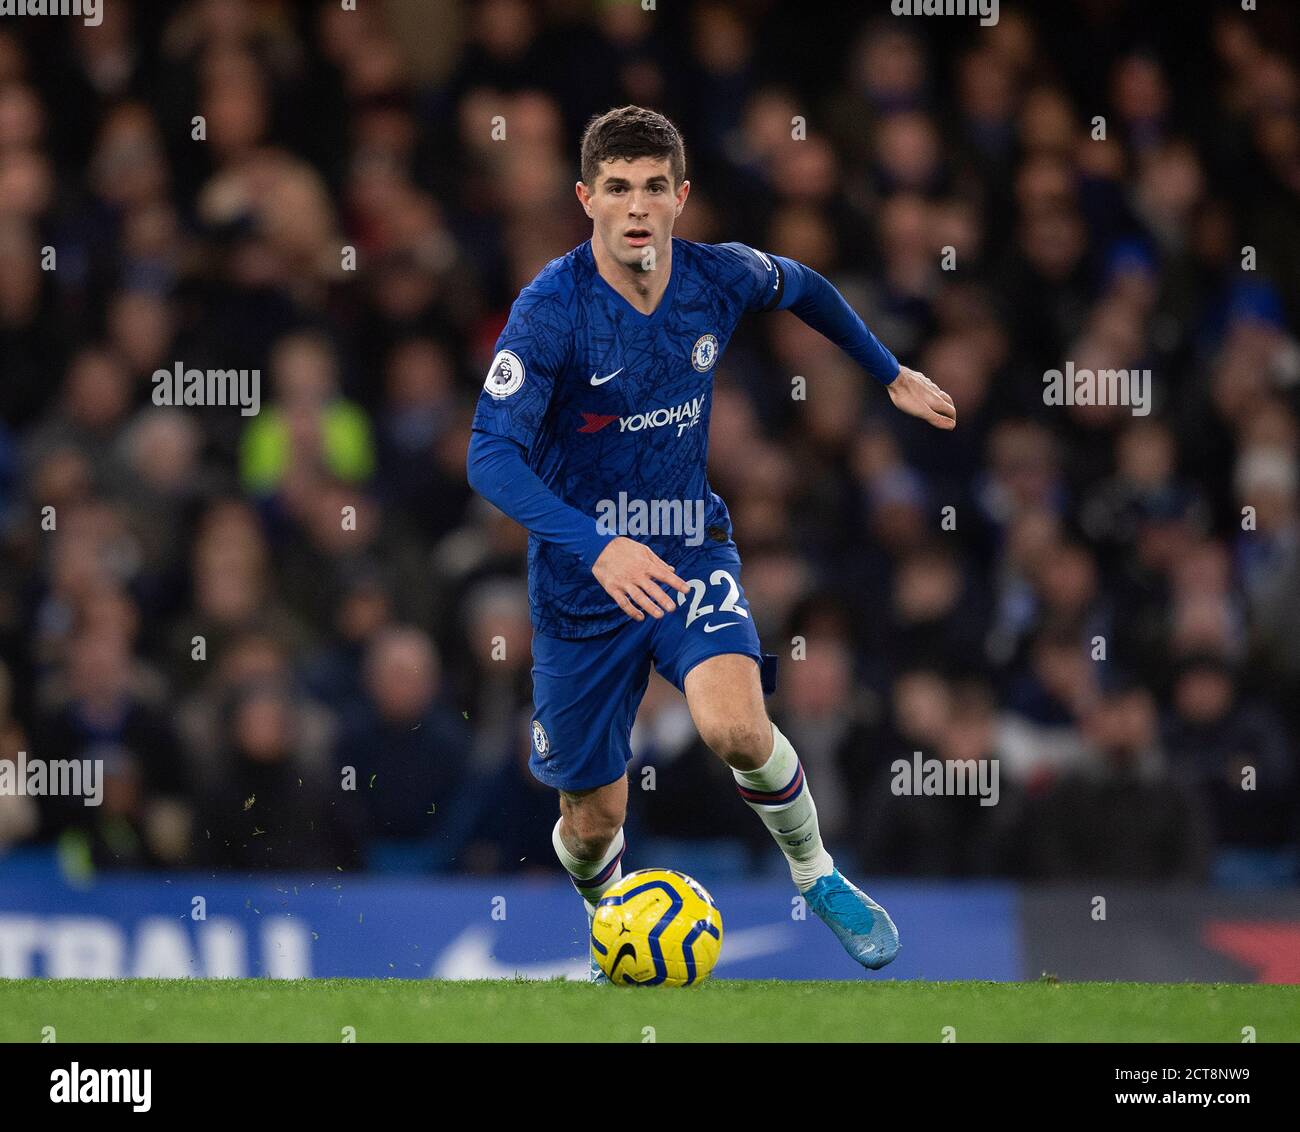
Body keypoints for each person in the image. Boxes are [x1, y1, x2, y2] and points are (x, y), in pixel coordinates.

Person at [466, 105, 956, 981]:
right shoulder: (550, 310)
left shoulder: (717, 276)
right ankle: (610, 906)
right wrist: (597, 545)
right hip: (584, 583)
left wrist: (889, 373)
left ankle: (819, 876)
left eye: (655, 187)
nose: (638, 207)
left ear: (682, 196)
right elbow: (489, 456)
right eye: (617, 189)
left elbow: (803, 285)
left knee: (736, 726)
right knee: (591, 822)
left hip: (689, 545)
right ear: (587, 199)